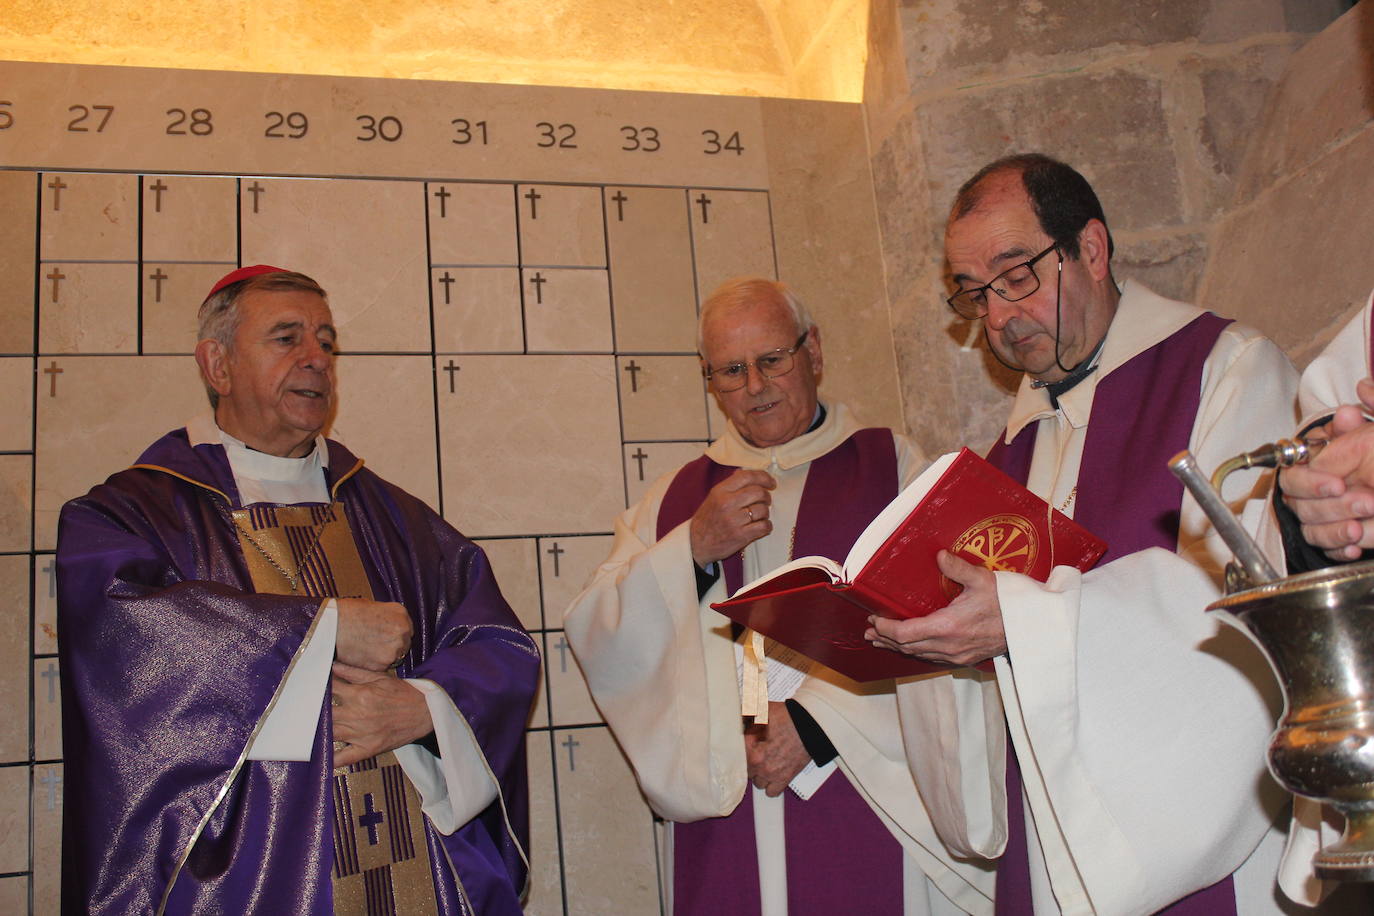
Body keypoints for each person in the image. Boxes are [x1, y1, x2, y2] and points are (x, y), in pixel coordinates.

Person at [868, 154, 1304, 913]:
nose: (999, 318)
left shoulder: (1224, 370)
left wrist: (1024, 622)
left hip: (1201, 839)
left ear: (1092, 251)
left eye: (1018, 275)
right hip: (1049, 849)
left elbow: (1255, 599)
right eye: (975, 294)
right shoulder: (1008, 457)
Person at [56, 266, 540, 915]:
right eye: (287, 338)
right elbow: (126, 645)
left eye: (327, 342)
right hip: (246, 882)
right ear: (217, 365)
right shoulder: (132, 516)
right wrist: (326, 628)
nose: (317, 359)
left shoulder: (394, 520)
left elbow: (498, 646)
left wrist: (427, 709)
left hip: (416, 869)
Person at [563, 278, 994, 915]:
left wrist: (819, 725)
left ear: (813, 353)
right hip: (730, 794)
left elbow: (952, 629)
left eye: (772, 360)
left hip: (864, 788)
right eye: (731, 371)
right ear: (708, 379)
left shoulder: (892, 466)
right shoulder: (675, 499)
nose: (756, 387)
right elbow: (599, 632)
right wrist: (691, 550)